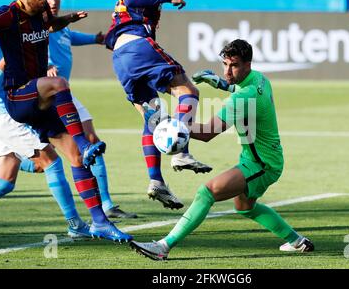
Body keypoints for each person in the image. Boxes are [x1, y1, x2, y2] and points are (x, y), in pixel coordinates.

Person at [0, 0, 132, 242]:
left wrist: (69, 19)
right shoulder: (7, 16)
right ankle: (84, 146)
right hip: (18, 99)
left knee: (75, 159)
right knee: (58, 84)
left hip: (40, 103)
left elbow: (49, 27)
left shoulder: (39, 15)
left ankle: (99, 222)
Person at [130, 39, 314, 260]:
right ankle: (297, 242)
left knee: (206, 192)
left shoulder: (244, 98)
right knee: (245, 207)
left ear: (248, 64)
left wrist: (167, 123)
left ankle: (163, 247)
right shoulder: (259, 80)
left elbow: (208, 132)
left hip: (262, 164)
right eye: (224, 64)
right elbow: (236, 85)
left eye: (233, 66)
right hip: (260, 157)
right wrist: (220, 83)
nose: (227, 70)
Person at [0, 0, 91, 239]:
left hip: (9, 114)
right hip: (4, 116)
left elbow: (39, 30)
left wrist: (67, 19)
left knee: (4, 183)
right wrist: (1, 67)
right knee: (52, 162)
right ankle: (75, 224)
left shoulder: (0, 34)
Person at [105, 0, 212, 210]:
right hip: (137, 45)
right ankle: (182, 152)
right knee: (188, 92)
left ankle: (156, 181)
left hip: (120, 56)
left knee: (152, 118)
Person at [43, 0, 137, 219]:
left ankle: (106, 204)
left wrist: (96, 39)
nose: (54, 1)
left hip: (65, 94)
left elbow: (69, 37)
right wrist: (45, 66)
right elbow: (25, 49)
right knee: (40, 159)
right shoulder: (38, 25)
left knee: (92, 142)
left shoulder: (60, 25)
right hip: (45, 96)